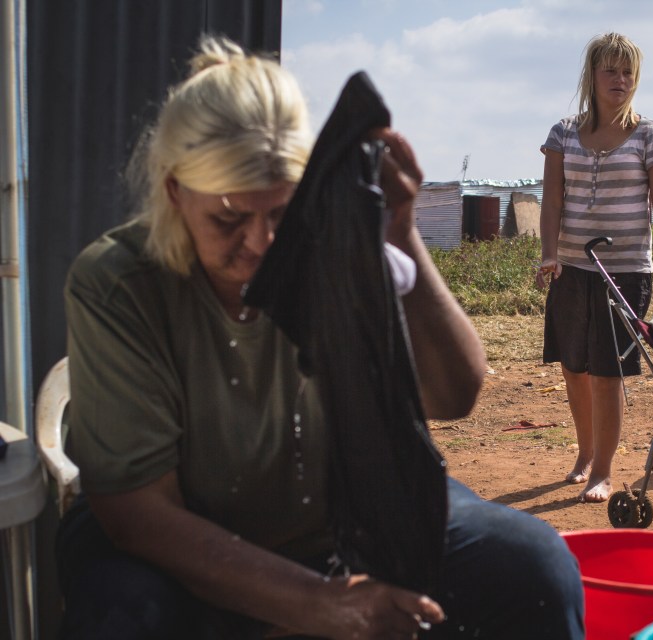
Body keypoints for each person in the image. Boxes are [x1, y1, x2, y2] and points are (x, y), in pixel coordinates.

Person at [58, 35, 584, 639]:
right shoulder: (121, 285)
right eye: (228, 220)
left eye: (281, 213)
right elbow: (139, 515)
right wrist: (318, 604)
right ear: (176, 193)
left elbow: (454, 394)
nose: (260, 244)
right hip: (186, 543)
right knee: (119, 610)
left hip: (333, 517)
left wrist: (399, 233)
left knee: (532, 565)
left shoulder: (326, 248)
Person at [537, 32, 653, 503]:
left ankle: (603, 470)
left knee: (607, 371)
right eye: (611, 70)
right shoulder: (563, 132)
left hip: (625, 270)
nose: (620, 80)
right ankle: (585, 454)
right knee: (574, 367)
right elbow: (553, 201)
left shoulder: (648, 134)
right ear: (593, 75)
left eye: (628, 72)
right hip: (573, 266)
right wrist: (549, 253)